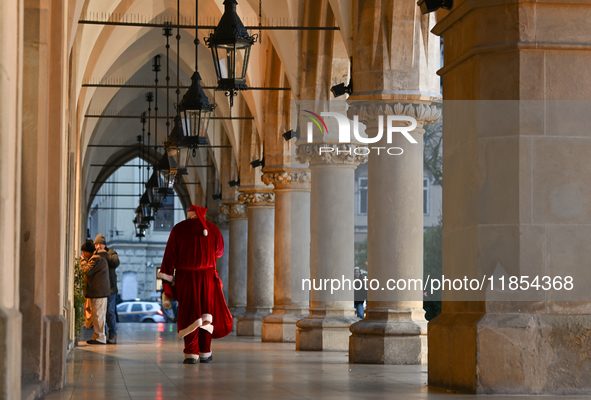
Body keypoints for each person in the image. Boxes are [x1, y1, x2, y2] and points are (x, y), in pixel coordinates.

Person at [158, 205, 233, 364]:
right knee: (206, 315)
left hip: (186, 278)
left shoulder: (178, 229)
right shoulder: (212, 229)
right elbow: (219, 252)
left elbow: (169, 258)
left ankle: (191, 353)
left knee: (190, 313)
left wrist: (167, 286)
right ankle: (205, 351)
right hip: (207, 278)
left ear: (189, 215)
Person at [80, 239, 110, 344]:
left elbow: (86, 270)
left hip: (99, 292)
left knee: (98, 315)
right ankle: (97, 336)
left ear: (88, 251)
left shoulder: (96, 258)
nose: (83, 254)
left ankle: (99, 338)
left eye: (84, 252)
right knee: (97, 315)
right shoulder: (97, 257)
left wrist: (82, 261)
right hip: (98, 291)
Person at [94, 234, 120, 344]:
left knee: (110, 312)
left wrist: (105, 255)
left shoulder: (111, 253)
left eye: (101, 244)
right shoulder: (94, 254)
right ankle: (101, 334)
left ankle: (112, 334)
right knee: (99, 312)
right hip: (99, 288)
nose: (99, 246)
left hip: (110, 289)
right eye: (97, 244)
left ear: (104, 245)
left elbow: (115, 262)